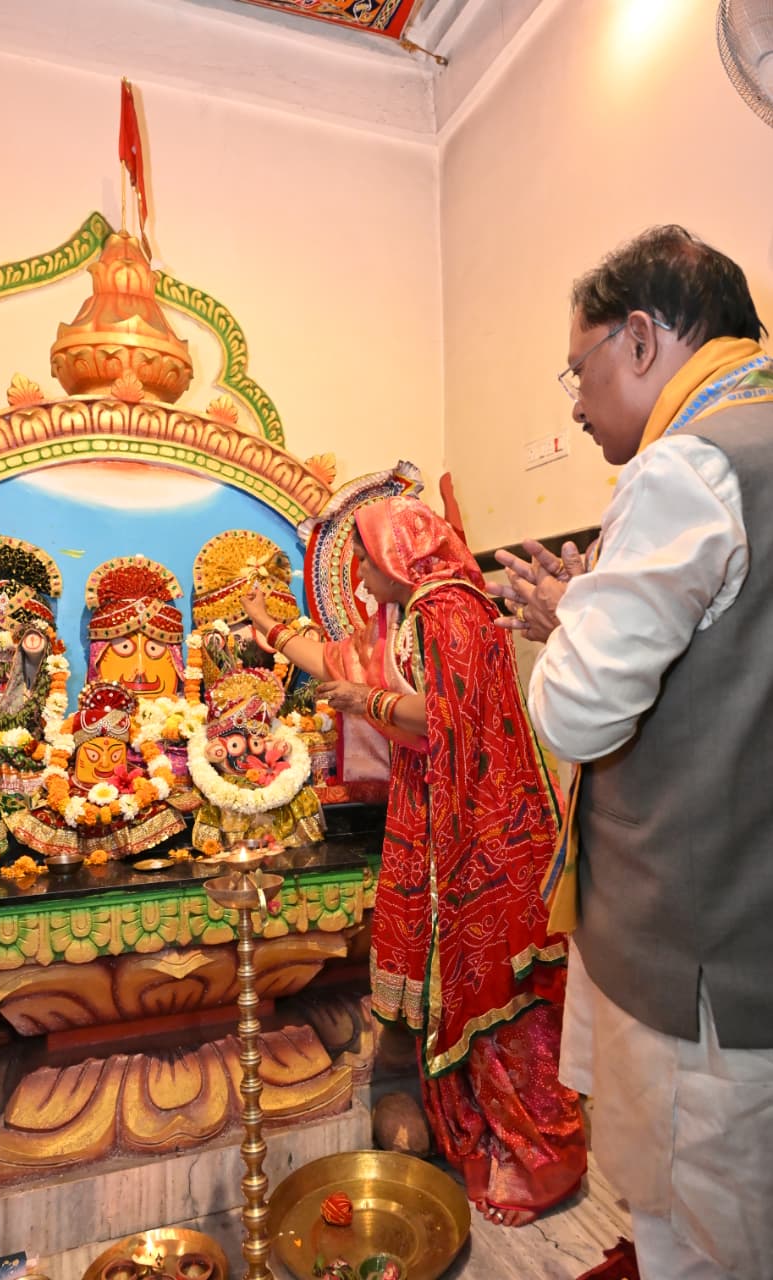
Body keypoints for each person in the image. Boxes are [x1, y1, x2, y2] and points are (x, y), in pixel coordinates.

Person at [489, 225, 773, 1279]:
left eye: (580, 365)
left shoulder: (689, 463)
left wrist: (570, 628)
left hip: (697, 958)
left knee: (699, 1239)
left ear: (642, 337)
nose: (573, 399)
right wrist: (587, 604)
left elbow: (576, 714)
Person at [243, 495, 586, 1227]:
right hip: (438, 811)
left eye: (367, 556)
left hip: (481, 824)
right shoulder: (409, 618)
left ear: (399, 553)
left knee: (489, 978)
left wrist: (362, 700)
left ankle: (537, 1157)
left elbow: (440, 717)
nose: (361, 573)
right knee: (451, 973)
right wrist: (272, 629)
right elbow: (339, 662)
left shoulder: (447, 612)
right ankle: (480, 1136)